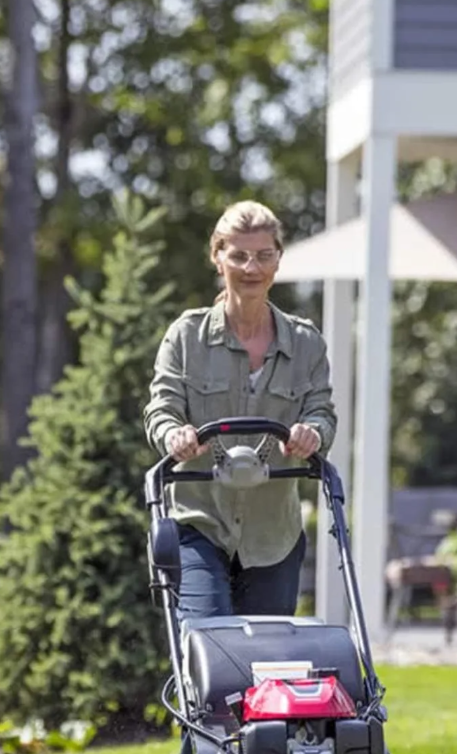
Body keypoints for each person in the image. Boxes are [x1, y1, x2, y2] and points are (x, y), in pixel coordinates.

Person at [144, 200, 337, 620]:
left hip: (273, 535)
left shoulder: (306, 343)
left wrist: (312, 432)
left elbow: (322, 412)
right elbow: (162, 409)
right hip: (199, 522)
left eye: (264, 255)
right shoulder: (187, 337)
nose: (252, 268)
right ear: (217, 258)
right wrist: (173, 434)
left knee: (268, 651)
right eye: (239, 256)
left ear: (278, 259)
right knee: (207, 639)